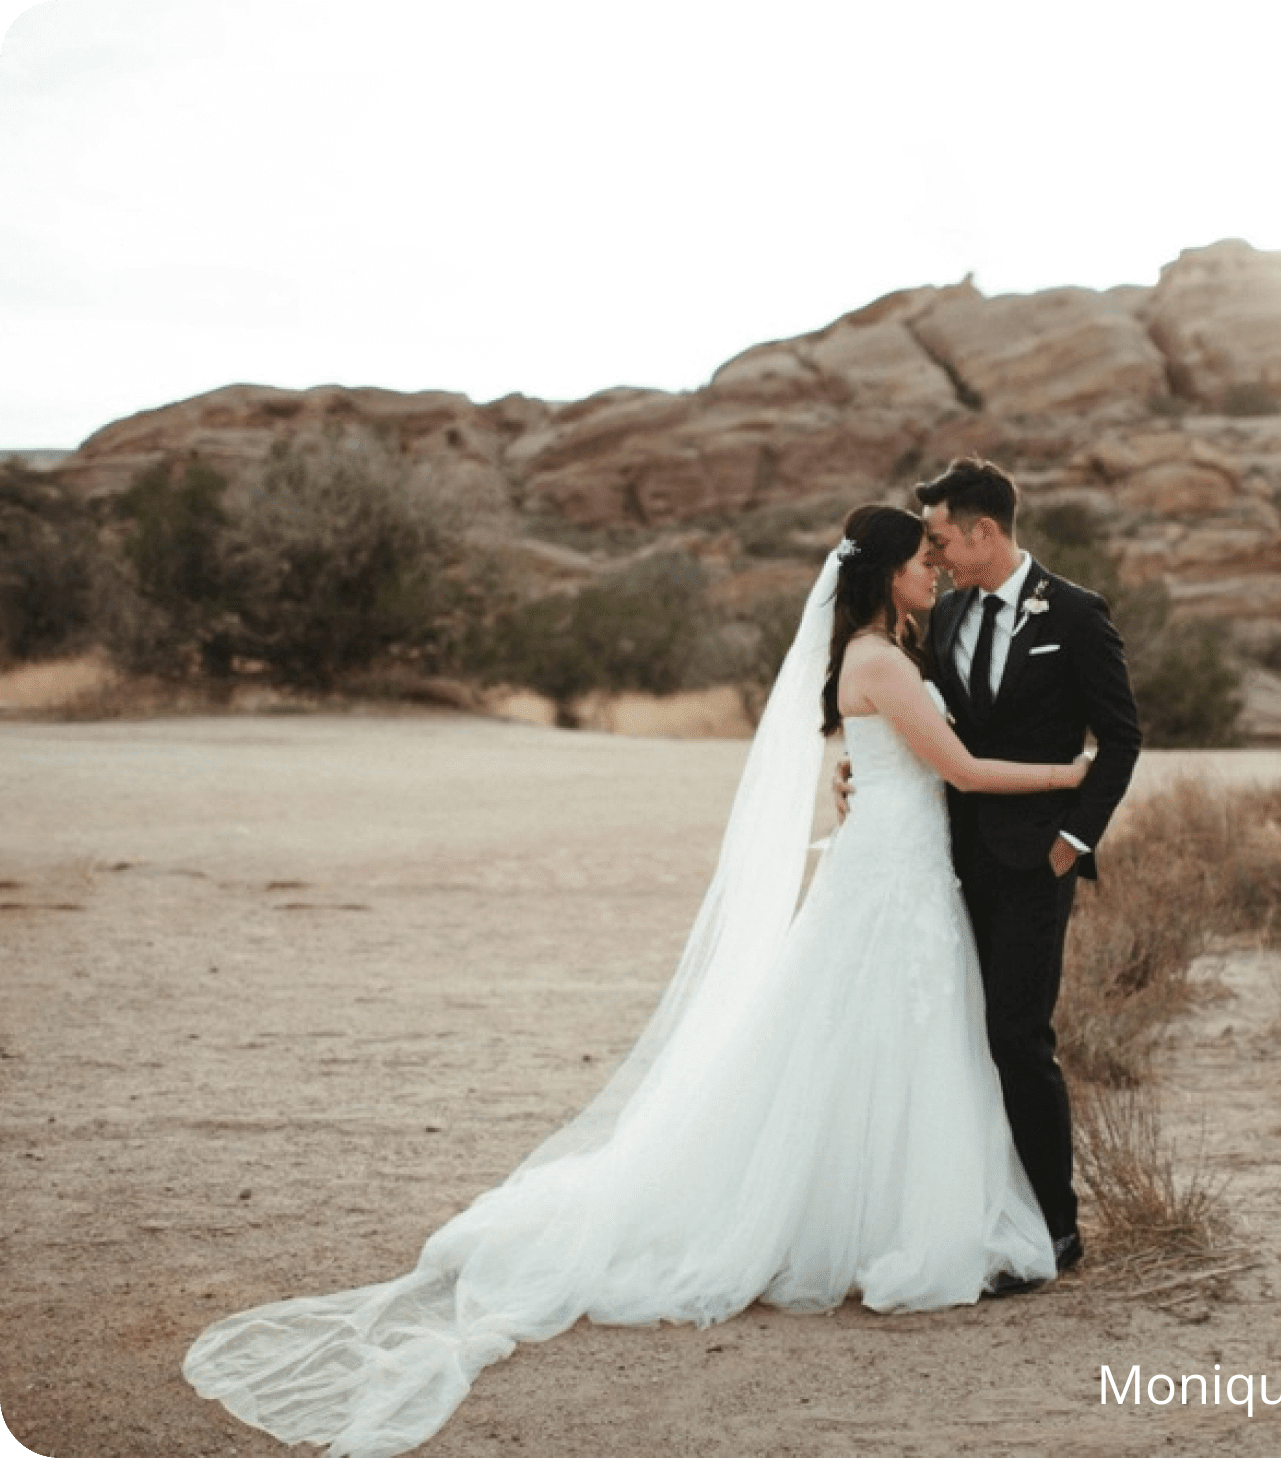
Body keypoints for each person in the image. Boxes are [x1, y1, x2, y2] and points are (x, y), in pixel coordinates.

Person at [184, 504, 1090, 1458]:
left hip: (900, 870)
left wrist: (869, 785)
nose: (934, 573)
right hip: (889, 881)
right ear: (882, 574)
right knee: (866, 1038)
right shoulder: (878, 659)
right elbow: (959, 768)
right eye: (921, 561)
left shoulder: (885, 654)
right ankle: (872, 1226)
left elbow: (901, 764)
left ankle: (875, 1217)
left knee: (883, 1043)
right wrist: (1067, 774)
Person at [900, 457, 1141, 1291]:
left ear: (983, 531)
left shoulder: (1073, 614)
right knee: (957, 1036)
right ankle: (974, 1210)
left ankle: (1055, 1227)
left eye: (940, 540)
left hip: (1036, 863)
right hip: (945, 860)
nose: (933, 556)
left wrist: (1072, 840)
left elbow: (1121, 737)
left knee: (1016, 1037)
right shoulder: (947, 613)